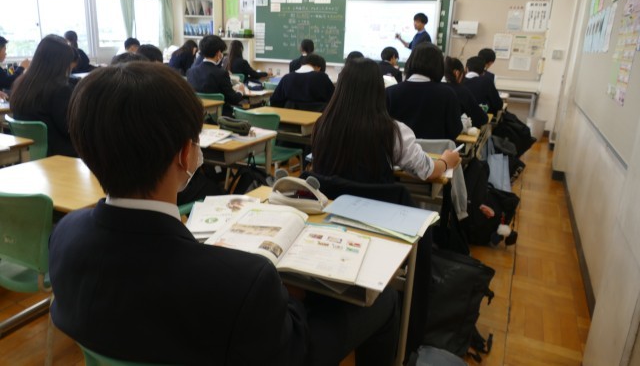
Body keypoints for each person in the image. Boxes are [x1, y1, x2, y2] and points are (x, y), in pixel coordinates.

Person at [49, 61, 400, 365]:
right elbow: (293, 353)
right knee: (383, 297)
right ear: (185, 154)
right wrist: (291, 297)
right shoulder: (243, 281)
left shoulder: (64, 235)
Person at [312, 57, 460, 184]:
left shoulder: (322, 124)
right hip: (376, 205)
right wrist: (445, 162)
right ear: (379, 89)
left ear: (340, 87)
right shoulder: (392, 131)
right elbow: (427, 170)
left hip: (330, 203)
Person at [10, 34, 77, 157]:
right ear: (61, 63)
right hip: (60, 155)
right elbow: (70, 129)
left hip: (29, 155)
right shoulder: (60, 89)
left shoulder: (21, 84)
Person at [386, 43, 462, 141]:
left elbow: (383, 128)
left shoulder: (390, 93)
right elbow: (455, 130)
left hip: (399, 149)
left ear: (410, 62)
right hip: (437, 150)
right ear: (439, 66)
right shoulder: (448, 94)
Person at [187, 35, 247, 116]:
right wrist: (240, 91)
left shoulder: (191, 72)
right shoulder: (221, 73)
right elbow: (233, 99)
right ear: (218, 53)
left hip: (199, 115)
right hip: (222, 116)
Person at [270, 53, 334, 111]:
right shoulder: (322, 77)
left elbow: (275, 101)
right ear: (319, 68)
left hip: (290, 117)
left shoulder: (286, 78)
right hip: (316, 118)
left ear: (302, 64)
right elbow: (333, 99)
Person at [444, 56, 488, 129]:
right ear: (457, 73)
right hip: (455, 133)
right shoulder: (461, 91)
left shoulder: (434, 89)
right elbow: (482, 118)